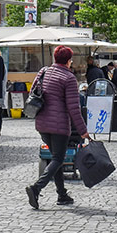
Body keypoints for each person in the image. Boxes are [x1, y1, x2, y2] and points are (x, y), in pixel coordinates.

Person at [25, 45, 90, 210]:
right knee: (58, 159)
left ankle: (62, 195)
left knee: (55, 158)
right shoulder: (68, 78)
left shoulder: (44, 71)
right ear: (69, 61)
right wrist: (83, 131)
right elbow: (73, 108)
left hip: (41, 123)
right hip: (59, 126)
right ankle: (36, 188)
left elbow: (33, 92)